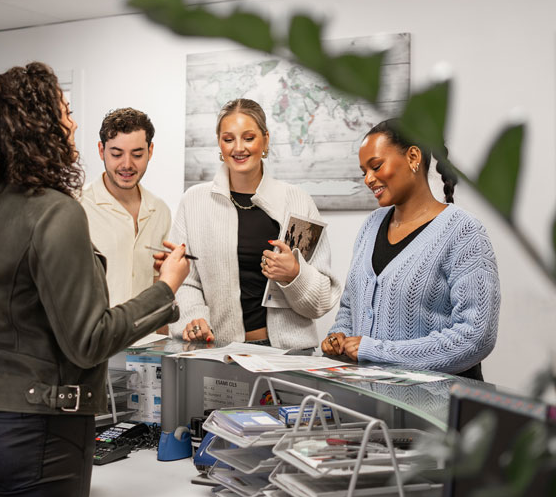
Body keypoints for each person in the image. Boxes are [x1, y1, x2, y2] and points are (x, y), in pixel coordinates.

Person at [0, 63, 189, 497]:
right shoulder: (57, 210)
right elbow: (88, 342)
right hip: (33, 434)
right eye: (65, 112)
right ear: (38, 125)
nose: (71, 123)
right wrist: (166, 289)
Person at [321, 119, 500, 380]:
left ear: (413, 156)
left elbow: (475, 336)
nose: (369, 179)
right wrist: (339, 338)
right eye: (364, 172)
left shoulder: (463, 231)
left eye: (376, 166)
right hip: (372, 409)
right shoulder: (371, 226)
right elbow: (350, 308)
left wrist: (377, 350)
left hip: (436, 412)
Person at [160, 98, 341, 349]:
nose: (238, 148)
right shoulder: (194, 201)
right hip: (219, 352)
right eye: (228, 138)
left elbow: (320, 301)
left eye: (248, 137)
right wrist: (193, 318)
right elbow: (186, 280)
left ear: (265, 140)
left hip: (287, 355)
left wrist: (294, 275)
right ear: (219, 142)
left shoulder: (297, 200)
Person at [80, 107, 171, 306]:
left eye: (137, 155)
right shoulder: (78, 207)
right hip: (98, 334)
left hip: (149, 336)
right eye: (117, 154)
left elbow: (158, 284)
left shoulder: (160, 210)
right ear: (101, 150)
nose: (127, 164)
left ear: (150, 151)